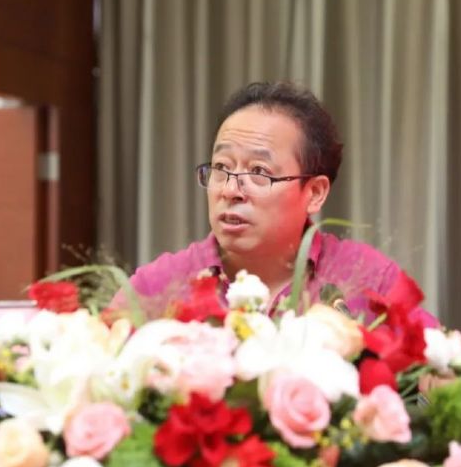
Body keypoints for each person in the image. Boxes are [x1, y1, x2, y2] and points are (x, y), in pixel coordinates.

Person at [111, 81, 436, 327]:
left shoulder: (367, 281)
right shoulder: (158, 288)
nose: (231, 190)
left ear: (315, 193)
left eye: (259, 172)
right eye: (222, 167)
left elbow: (447, 377)